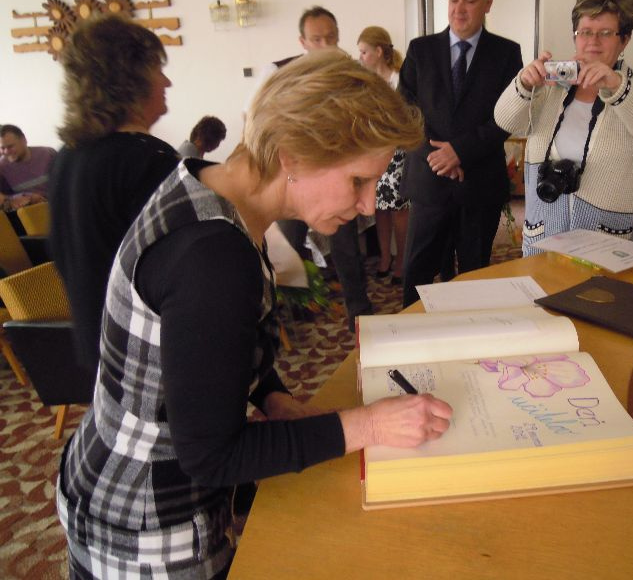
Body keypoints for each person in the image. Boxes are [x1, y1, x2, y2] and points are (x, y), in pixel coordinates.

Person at [56, 49, 452, 579]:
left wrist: (272, 395)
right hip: (143, 521)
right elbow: (211, 456)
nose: (367, 205)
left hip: (110, 475)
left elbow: (213, 348)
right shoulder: (213, 256)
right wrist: (371, 424)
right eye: (359, 181)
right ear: (293, 156)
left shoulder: (212, 187)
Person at [494, 0, 633, 256]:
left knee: (606, 286)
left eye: (605, 33)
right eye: (585, 32)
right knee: (544, 284)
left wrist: (615, 85)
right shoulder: (551, 86)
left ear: (625, 40)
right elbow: (504, 120)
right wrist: (525, 84)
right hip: (544, 234)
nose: (593, 41)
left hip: (609, 239)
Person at [49, 15, 179, 373]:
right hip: (151, 355)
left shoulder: (67, 157)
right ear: (131, 78)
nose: (167, 81)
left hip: (100, 347)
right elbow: (182, 272)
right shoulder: (148, 161)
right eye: (157, 69)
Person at [248, 6, 373, 331]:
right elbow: (257, 124)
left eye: (331, 38)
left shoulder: (350, 74)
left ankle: (359, 311)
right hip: (290, 180)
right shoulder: (278, 72)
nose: (325, 45)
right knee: (288, 245)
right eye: (317, 39)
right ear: (302, 41)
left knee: (346, 247)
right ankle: (298, 306)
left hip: (336, 179)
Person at [399, 0, 522, 307]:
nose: (459, 10)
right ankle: (411, 333)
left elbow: (508, 116)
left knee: (474, 277)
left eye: (469, 1)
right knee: (417, 274)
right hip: (428, 182)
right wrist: (440, 157)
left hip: (479, 184)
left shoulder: (507, 53)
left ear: (488, 3)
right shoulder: (420, 50)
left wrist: (460, 152)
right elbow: (404, 111)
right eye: (453, 0)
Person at [358, 26, 408, 286]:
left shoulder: (401, 79)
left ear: (379, 52)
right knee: (379, 207)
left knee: (398, 208)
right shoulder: (366, 83)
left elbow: (409, 117)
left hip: (397, 151)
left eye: (364, 52)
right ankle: (385, 257)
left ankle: (401, 260)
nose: (360, 57)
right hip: (373, 152)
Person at [0, 124, 55, 211]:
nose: (6, 152)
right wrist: (26, 197)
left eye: (10, 146)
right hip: (34, 213)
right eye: (2, 148)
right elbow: (3, 198)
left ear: (24, 140)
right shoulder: (2, 168)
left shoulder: (48, 154)